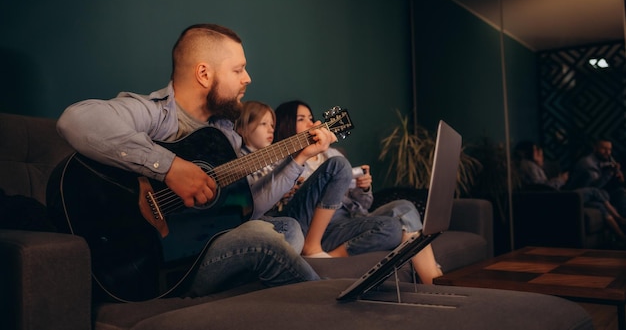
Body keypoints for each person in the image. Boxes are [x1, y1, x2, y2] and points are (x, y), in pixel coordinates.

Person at [56, 23, 339, 297]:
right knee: (262, 237)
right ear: (204, 74)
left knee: (286, 227)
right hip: (153, 260)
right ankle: (329, 303)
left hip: (202, 245)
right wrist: (169, 168)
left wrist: (300, 156)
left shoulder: (224, 135)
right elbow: (75, 120)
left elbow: (246, 207)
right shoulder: (157, 115)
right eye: (238, 69)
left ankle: (250, 291)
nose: (248, 78)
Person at [258, 100, 442, 284]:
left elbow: (364, 205)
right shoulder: (279, 159)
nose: (310, 123)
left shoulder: (332, 154)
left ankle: (434, 285)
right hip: (314, 224)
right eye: (301, 119)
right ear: (287, 124)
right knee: (339, 166)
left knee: (403, 211)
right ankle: (312, 247)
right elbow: (266, 199)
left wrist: (363, 189)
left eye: (311, 118)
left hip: (347, 219)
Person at [235, 100, 352, 257]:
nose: (271, 129)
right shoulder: (236, 159)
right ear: (242, 129)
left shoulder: (274, 157)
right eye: (264, 124)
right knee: (290, 228)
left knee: (391, 224)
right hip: (269, 219)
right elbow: (245, 205)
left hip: (295, 215)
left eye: (272, 125)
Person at [514, 140, 626, 242]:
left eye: (610, 149)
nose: (540, 153)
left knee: (600, 204)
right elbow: (541, 187)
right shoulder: (529, 166)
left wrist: (611, 174)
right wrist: (560, 179)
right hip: (562, 195)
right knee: (595, 191)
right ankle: (619, 218)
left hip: (562, 193)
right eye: (536, 150)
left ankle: (621, 236)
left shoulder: (533, 166)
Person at [566, 139, 626, 218]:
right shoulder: (588, 164)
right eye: (604, 149)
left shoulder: (604, 160)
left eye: (609, 149)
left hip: (600, 193)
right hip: (582, 196)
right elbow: (593, 188)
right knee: (604, 201)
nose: (607, 152)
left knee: (621, 192)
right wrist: (609, 173)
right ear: (595, 148)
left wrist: (618, 176)